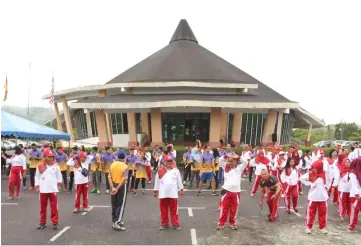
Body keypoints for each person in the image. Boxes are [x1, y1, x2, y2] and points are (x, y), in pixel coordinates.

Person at [217, 153, 248, 230]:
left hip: (236, 192)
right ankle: (221, 224)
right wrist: (227, 156)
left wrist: (238, 156)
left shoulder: (239, 168)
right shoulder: (225, 167)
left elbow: (245, 162)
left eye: (232, 161)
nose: (230, 163)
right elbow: (220, 160)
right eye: (229, 161)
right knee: (224, 209)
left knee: (234, 210)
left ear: (236, 161)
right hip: (226, 191)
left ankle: (232, 223)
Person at [154, 155, 184, 231]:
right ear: (164, 162)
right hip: (163, 194)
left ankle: (176, 224)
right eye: (168, 161)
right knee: (163, 210)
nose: (169, 162)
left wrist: (181, 188)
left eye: (171, 161)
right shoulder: (160, 170)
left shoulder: (176, 170)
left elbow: (179, 180)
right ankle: (164, 223)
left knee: (174, 210)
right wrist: (155, 190)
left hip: (173, 194)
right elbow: (157, 181)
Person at [299, 160, 330, 234]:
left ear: (319, 167)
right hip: (313, 197)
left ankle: (322, 227)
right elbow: (301, 178)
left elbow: (329, 181)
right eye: (313, 167)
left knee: (323, 213)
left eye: (316, 168)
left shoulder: (324, 174)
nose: (314, 169)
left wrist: (327, 187)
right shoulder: (310, 173)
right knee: (311, 213)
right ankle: (308, 227)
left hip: (323, 197)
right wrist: (309, 183)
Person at [35, 148, 62, 230]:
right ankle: (42, 222)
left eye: (52, 156)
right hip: (43, 190)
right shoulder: (39, 166)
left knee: (54, 207)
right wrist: (37, 186)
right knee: (42, 207)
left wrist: (59, 184)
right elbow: (37, 177)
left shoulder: (55, 165)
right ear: (45, 156)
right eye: (49, 156)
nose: (51, 158)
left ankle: (55, 222)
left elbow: (59, 176)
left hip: (53, 189)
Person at [108, 152, 128, 231]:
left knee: (114, 203)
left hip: (113, 184)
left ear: (117, 157)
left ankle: (114, 220)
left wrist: (113, 187)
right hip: (122, 186)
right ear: (124, 158)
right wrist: (118, 188)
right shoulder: (125, 166)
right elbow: (124, 178)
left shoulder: (112, 164)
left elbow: (109, 176)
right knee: (121, 204)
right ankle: (117, 222)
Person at [348, 157, 361, 232]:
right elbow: (354, 185)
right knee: (354, 211)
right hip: (355, 195)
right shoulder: (352, 173)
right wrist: (357, 195)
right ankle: (351, 226)